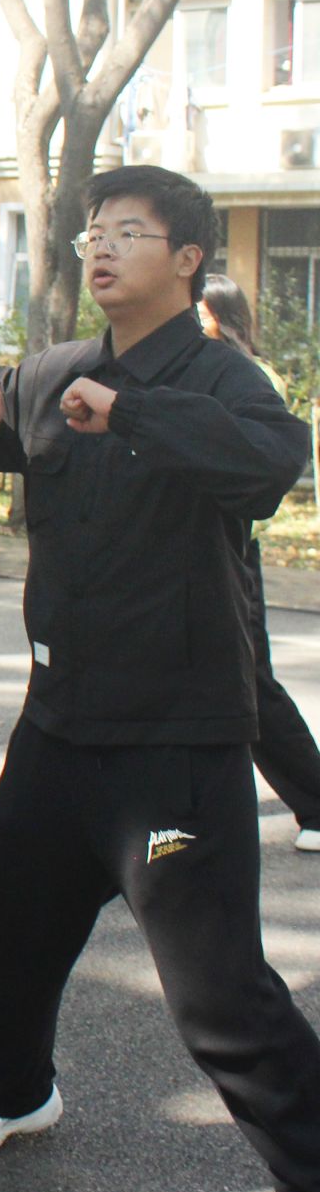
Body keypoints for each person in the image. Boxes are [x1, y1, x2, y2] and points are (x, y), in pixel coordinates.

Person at [0, 167, 320, 1192]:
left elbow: (273, 465)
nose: (99, 247)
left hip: (175, 744)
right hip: (57, 727)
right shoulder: (56, 371)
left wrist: (132, 412)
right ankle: (10, 1094)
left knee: (220, 998)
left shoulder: (224, 380)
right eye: (92, 231)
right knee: (14, 942)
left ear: (185, 260)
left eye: (127, 232)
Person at [197, 275, 320, 855]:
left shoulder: (249, 375)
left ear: (220, 315)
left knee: (250, 684)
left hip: (234, 547)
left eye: (199, 311)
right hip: (194, 545)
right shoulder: (197, 367)